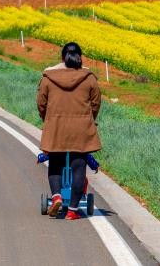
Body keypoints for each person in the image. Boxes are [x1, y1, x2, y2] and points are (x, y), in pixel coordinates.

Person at [37, 42, 102, 220]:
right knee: (79, 167)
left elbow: (41, 103)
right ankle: (73, 210)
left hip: (56, 127)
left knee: (56, 164)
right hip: (81, 129)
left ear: (62, 58)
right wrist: (88, 119)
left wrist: (48, 120)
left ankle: (57, 196)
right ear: (81, 58)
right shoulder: (89, 78)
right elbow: (95, 104)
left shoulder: (48, 77)